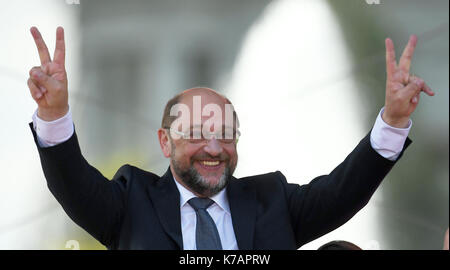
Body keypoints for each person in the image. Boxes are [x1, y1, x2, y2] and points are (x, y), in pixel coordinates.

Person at [27, 26, 434, 250]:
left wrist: (394, 120)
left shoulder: (272, 201)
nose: (215, 148)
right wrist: (54, 113)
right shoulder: (132, 200)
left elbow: (345, 190)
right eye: (199, 134)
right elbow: (73, 185)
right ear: (165, 142)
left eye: (225, 134)